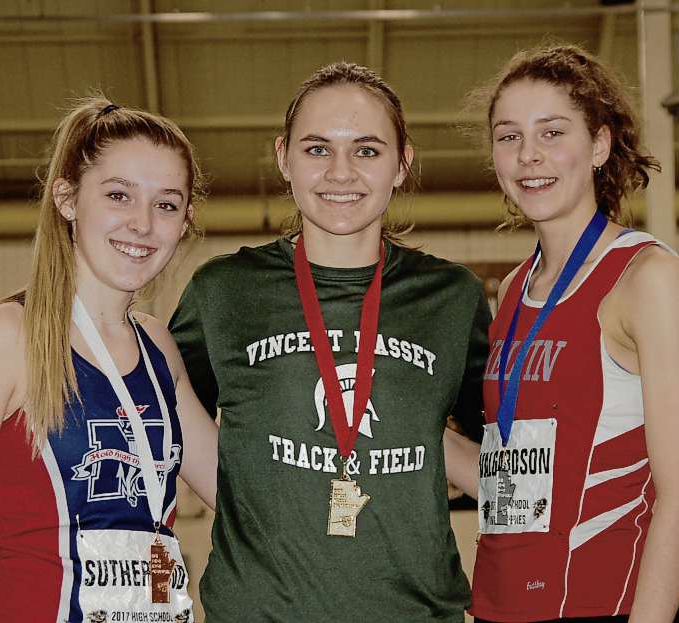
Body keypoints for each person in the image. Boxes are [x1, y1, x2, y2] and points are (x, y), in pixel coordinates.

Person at [168, 62, 490, 621]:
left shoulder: (451, 298)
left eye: (366, 150)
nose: (340, 172)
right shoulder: (224, 292)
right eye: (317, 149)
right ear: (282, 158)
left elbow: (497, 456)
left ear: (402, 163)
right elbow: (157, 429)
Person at [0, 97, 218, 622]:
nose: (142, 224)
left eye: (166, 204)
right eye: (119, 195)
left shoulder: (159, 347)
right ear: (67, 199)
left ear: (184, 222)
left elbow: (242, 492)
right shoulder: (4, 338)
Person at [465, 44, 679, 623]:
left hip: (601, 605)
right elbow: (515, 470)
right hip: (499, 606)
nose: (528, 155)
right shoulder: (515, 290)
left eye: (551, 133)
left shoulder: (647, 277)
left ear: (599, 145)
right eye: (508, 136)